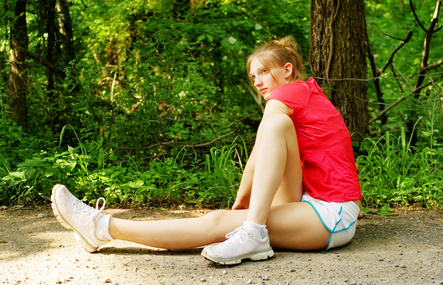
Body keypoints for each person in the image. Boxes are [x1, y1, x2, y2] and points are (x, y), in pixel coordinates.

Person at [51, 36, 362, 266]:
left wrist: (244, 206)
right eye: (253, 77)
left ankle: (101, 228)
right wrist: (243, 202)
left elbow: (261, 145)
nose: (257, 81)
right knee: (270, 138)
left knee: (218, 222)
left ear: (287, 69)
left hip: (330, 216)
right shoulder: (305, 93)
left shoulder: (290, 93)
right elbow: (264, 147)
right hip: (313, 203)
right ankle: (252, 229)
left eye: (263, 72)